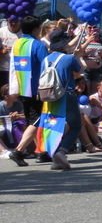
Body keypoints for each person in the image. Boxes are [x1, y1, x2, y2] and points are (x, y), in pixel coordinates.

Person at [7, 16, 50, 166]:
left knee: (33, 120)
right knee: (37, 120)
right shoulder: (38, 45)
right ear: (36, 29)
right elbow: (47, 66)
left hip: (22, 87)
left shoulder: (17, 43)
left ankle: (41, 152)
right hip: (36, 89)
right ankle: (18, 151)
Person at [40, 29, 85, 170]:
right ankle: (62, 151)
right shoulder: (69, 58)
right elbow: (80, 71)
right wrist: (77, 56)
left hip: (49, 95)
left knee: (54, 126)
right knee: (76, 125)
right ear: (64, 44)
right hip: (67, 95)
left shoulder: (45, 60)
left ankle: (56, 157)